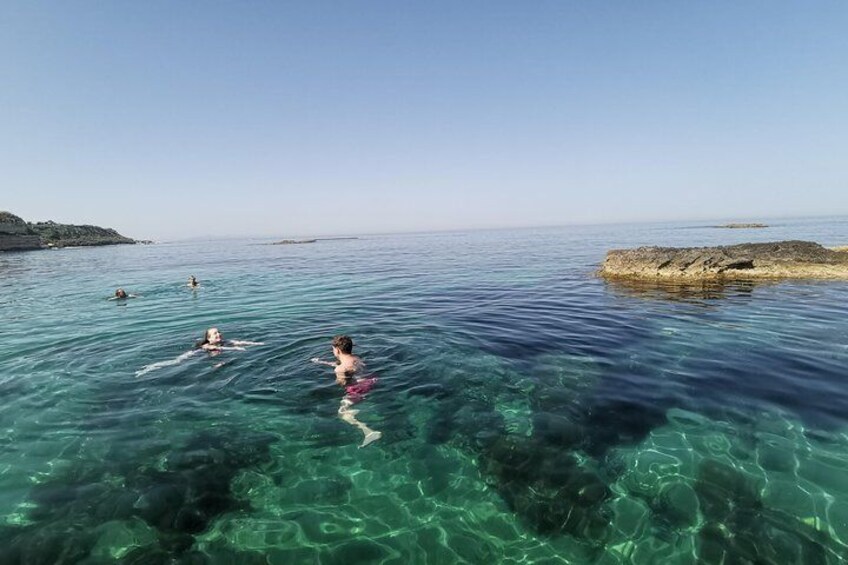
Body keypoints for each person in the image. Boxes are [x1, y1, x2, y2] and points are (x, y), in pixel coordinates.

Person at [312, 335, 381, 447]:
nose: (332, 351)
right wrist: (322, 362)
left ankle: (368, 431)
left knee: (342, 413)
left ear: (338, 350)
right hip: (370, 381)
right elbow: (346, 366)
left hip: (358, 389)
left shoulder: (340, 369)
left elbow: (342, 383)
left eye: (333, 349)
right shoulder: (356, 358)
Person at [197, 327, 263, 352]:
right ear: (209, 338)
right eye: (215, 333)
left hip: (219, 348)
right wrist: (236, 349)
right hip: (206, 355)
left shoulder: (224, 341)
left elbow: (238, 342)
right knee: (215, 354)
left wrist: (256, 343)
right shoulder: (207, 346)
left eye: (219, 332)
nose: (219, 334)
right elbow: (222, 348)